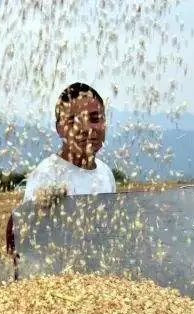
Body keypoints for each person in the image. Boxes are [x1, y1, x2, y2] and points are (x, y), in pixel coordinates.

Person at [6, 82, 116, 254]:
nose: (86, 129)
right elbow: (23, 237)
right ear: (59, 129)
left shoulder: (105, 173)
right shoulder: (47, 174)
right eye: (74, 121)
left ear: (105, 123)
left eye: (94, 119)